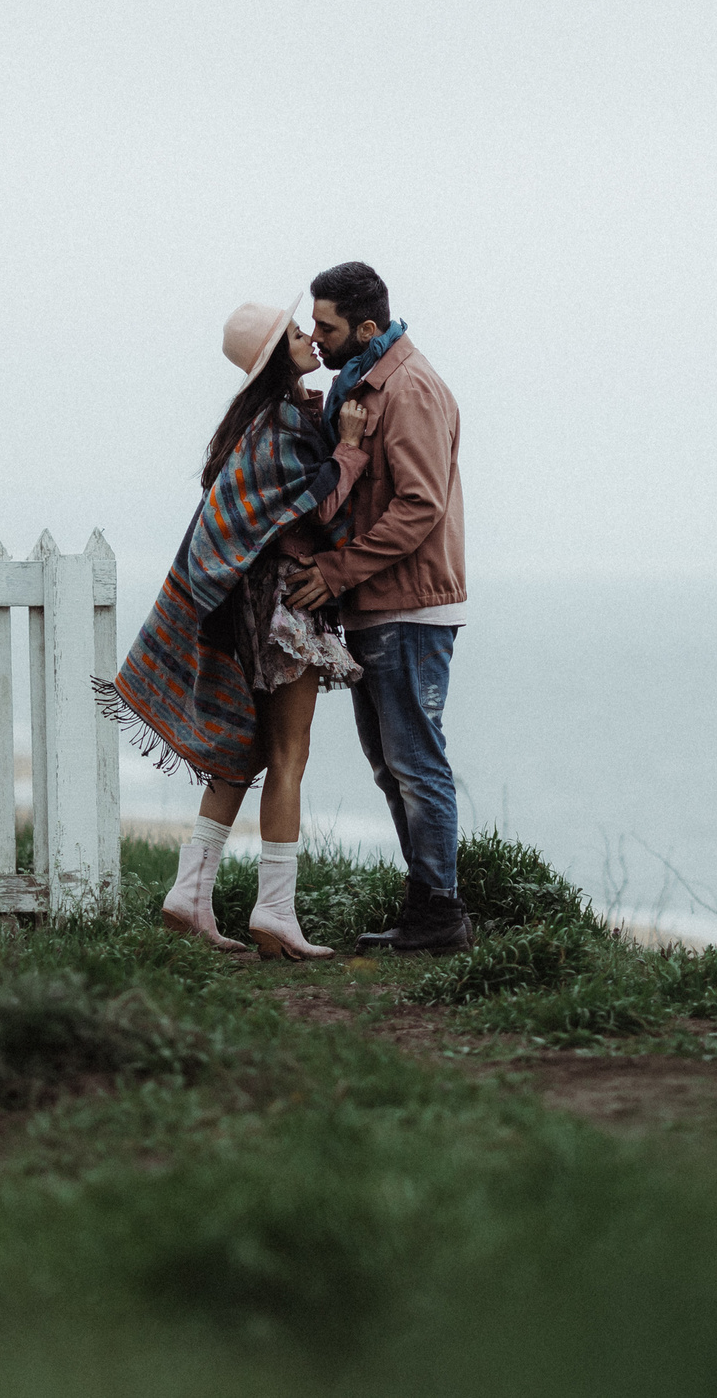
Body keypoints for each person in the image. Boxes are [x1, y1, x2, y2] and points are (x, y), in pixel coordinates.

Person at [99, 297, 370, 960]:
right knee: (289, 754)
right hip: (280, 605)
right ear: (277, 354)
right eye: (295, 333)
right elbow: (325, 504)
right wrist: (353, 449)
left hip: (250, 605)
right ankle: (275, 911)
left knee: (248, 751)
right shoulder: (278, 431)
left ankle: (189, 896)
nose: (308, 336)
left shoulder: (255, 426)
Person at [284, 262, 472, 956]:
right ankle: (429, 907)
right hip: (378, 604)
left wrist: (334, 570)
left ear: (366, 327)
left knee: (416, 762)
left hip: (408, 606)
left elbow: (419, 506)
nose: (316, 335)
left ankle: (440, 912)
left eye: (326, 325)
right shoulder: (360, 386)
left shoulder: (410, 390)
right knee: (393, 764)